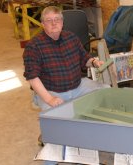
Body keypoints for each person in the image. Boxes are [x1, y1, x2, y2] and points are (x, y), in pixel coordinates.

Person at [23, 6, 109, 165]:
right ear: (42, 24)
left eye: (57, 19)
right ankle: (51, 159)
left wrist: (95, 62)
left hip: (77, 86)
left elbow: (85, 58)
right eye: (49, 20)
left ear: (62, 22)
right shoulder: (34, 46)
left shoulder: (71, 37)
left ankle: (94, 140)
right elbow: (32, 77)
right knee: (56, 128)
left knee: (106, 93)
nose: (54, 23)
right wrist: (49, 99)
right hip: (51, 91)